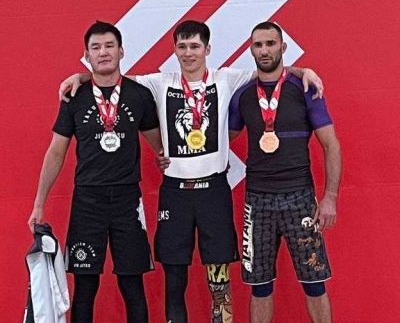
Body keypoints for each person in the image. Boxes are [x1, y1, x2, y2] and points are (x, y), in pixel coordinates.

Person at [59, 20, 324, 323]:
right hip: (175, 194)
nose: (188, 53)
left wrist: (303, 71)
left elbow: (270, 72)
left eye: (195, 46)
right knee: (175, 282)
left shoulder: (226, 78)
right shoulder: (160, 82)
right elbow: (111, 77)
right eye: (182, 47)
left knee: (219, 282)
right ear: (174, 50)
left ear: (207, 49)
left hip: (214, 192)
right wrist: (81, 76)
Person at [28, 21, 162, 323]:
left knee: (132, 285)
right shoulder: (74, 97)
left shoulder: (139, 95)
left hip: (127, 201)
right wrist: (38, 204)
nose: (103, 52)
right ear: (87, 55)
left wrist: (171, 159)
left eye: (109, 46)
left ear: (121, 51)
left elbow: (160, 146)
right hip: (88, 202)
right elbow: (56, 152)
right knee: (85, 287)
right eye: (96, 47)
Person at [229, 21, 341, 323]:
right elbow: (219, 142)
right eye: (258, 45)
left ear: (283, 47)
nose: (264, 50)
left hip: (299, 199)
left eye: (270, 43)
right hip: (258, 202)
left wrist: (329, 198)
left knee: (314, 282)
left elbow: (331, 144)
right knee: (259, 286)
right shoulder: (241, 95)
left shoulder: (305, 88)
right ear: (251, 50)